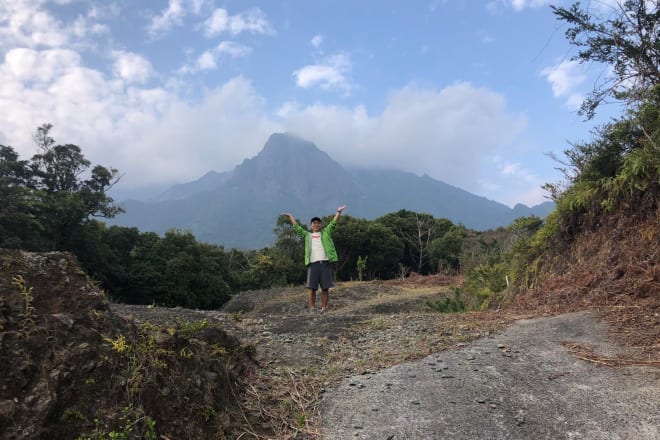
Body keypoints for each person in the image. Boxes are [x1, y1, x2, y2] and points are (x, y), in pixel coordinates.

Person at [282, 205, 346, 313]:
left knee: (325, 288)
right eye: (314, 223)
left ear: (320, 225)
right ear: (311, 225)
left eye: (318, 223)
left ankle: (324, 308)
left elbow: (334, 223)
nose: (316, 225)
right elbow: (297, 228)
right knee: (312, 288)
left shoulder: (326, 232)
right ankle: (312, 308)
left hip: (325, 263)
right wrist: (290, 217)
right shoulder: (307, 235)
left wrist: (338, 212)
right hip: (312, 264)